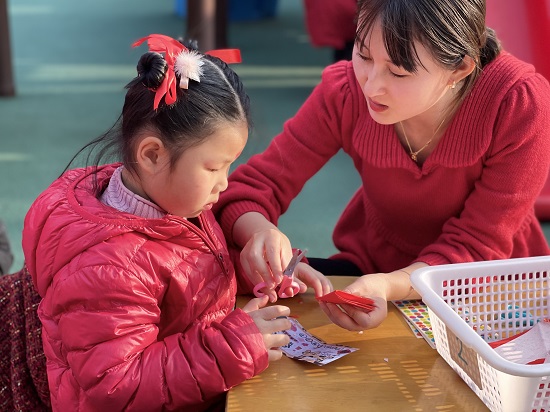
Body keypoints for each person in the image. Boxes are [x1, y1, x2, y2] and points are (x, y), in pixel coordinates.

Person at [21, 33, 329, 412]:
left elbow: (189, 277)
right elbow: (117, 386)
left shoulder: (174, 203)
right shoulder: (110, 266)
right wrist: (233, 345)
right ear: (152, 155)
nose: (226, 182)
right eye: (214, 167)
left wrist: (257, 269)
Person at [214, 0, 550, 332]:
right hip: (370, 269)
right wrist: (260, 233)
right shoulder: (345, 91)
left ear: (460, 69)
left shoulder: (518, 105)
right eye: (363, 54)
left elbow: (476, 246)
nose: (371, 85)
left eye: (399, 71)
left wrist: (390, 287)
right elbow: (255, 186)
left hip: (494, 292)